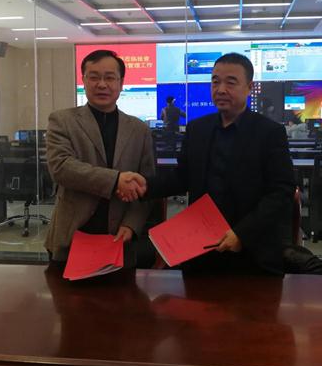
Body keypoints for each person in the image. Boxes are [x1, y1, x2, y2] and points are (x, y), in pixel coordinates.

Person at [119, 53, 296, 275]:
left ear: (249, 87)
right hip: (201, 249)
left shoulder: (269, 132)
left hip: (252, 251)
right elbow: (182, 177)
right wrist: (145, 186)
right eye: (215, 82)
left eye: (230, 82)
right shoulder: (198, 129)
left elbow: (281, 191)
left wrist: (242, 234)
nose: (220, 89)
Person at [44, 50, 154, 267]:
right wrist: (116, 180)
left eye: (110, 78)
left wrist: (132, 224)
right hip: (72, 236)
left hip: (119, 238)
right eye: (93, 77)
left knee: (121, 290)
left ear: (121, 83)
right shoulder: (62, 120)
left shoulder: (139, 129)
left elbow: (146, 184)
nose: (102, 84)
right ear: (84, 80)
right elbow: (61, 167)